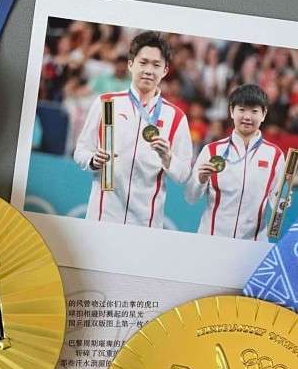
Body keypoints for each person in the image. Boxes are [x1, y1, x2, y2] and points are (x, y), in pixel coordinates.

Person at [74, 31, 192, 228]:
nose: (148, 70)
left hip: (146, 222)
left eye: (156, 65)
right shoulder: (107, 103)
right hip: (103, 215)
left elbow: (184, 174)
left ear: (165, 70)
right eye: (143, 62)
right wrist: (92, 160)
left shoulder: (176, 117)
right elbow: (81, 150)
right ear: (131, 64)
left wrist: (168, 158)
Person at [186, 84, 285, 241]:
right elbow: (190, 197)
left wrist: (283, 200)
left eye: (254, 111)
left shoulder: (275, 155)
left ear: (264, 114)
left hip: (253, 245)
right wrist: (201, 180)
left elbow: (277, 203)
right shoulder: (212, 151)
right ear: (232, 111)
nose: (247, 117)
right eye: (242, 110)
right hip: (211, 239)